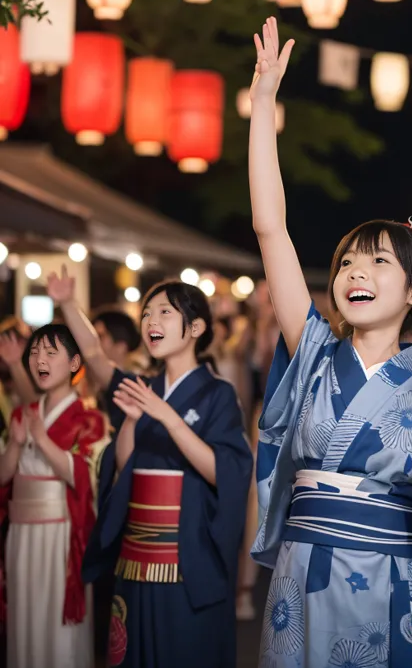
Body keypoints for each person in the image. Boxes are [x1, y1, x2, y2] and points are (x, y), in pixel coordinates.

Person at [248, 17, 412, 668]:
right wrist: (263, 105)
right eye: (347, 261)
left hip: (390, 583)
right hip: (303, 573)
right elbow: (271, 229)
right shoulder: (314, 349)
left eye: (378, 263)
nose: (354, 272)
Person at [47, 269, 253, 668]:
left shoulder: (218, 394)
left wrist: (169, 419)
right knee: (135, 650)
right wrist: (67, 303)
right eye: (146, 314)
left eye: (164, 312)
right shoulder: (144, 388)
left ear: (195, 327)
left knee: (182, 652)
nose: (151, 322)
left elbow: (225, 472)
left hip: (187, 554)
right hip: (136, 552)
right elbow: (124, 461)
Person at [0, 323, 106, 668]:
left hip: (61, 534)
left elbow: (85, 477)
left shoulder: (89, 419)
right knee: (24, 614)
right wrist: (16, 443)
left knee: (58, 625)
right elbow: (5, 476)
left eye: (50, 352)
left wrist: (41, 439)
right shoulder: (23, 414)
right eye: (34, 353)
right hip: (22, 532)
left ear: (75, 363)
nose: (39, 360)